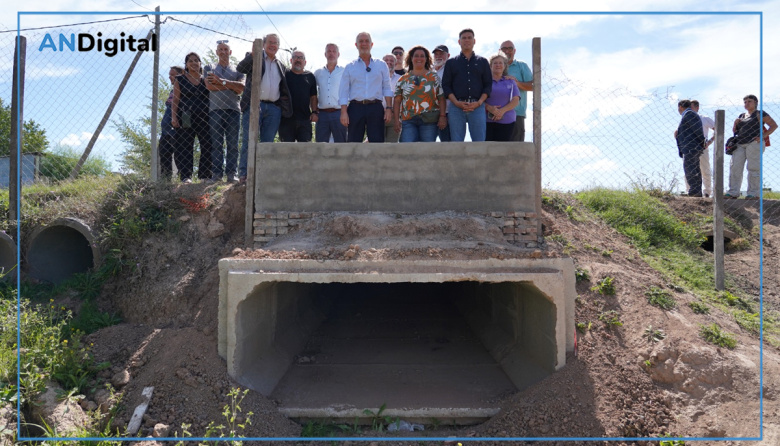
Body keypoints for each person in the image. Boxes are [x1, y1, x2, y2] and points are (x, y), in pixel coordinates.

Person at [236, 33, 292, 183]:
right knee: (249, 140)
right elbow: (240, 68)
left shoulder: (281, 65)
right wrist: (254, 54)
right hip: (255, 106)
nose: (273, 45)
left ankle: (262, 176)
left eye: (275, 43)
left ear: (278, 46)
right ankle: (244, 175)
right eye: (270, 42)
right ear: (264, 44)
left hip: (274, 109)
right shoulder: (256, 57)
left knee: (267, 144)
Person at [339, 32, 393, 143]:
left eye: (367, 41)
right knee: (353, 143)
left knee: (377, 143)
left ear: (372, 44)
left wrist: (388, 108)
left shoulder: (381, 65)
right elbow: (343, 91)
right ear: (356, 45)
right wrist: (344, 112)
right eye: (361, 41)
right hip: (355, 108)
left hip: (376, 108)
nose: (364, 44)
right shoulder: (350, 67)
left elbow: (387, 88)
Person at [204, 41, 245, 183]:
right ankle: (216, 175)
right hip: (215, 110)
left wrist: (220, 82)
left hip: (234, 109)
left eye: (226, 49)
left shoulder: (238, 69)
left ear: (230, 52)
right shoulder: (209, 67)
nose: (223, 52)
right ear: (216, 52)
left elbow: (241, 88)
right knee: (216, 144)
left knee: (233, 144)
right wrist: (230, 85)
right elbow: (209, 86)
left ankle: (232, 174)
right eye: (220, 49)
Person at [442, 28, 491, 142]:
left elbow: (488, 85)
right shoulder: (451, 62)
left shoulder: (483, 61)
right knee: (456, 143)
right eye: (464, 38)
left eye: (470, 38)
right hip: (456, 107)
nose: (467, 40)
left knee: (479, 143)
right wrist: (456, 103)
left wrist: (478, 102)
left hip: (477, 107)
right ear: (459, 42)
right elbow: (446, 86)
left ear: (474, 41)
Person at [171, 52, 213, 183]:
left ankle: (205, 176)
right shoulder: (180, 79)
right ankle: (186, 176)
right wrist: (174, 117)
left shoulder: (206, 79)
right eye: (190, 61)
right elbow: (175, 100)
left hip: (205, 117)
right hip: (185, 117)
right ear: (186, 65)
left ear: (200, 63)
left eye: (196, 60)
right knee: (185, 146)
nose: (194, 63)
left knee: (207, 144)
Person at [726, 94, 778, 199]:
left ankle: (753, 193)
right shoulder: (741, 115)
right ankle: (733, 192)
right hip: (739, 144)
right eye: (745, 102)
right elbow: (736, 131)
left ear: (755, 103)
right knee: (735, 167)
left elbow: (774, 125)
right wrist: (735, 124)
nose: (746, 103)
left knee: (753, 168)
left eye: (749, 101)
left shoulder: (760, 113)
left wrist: (762, 136)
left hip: (754, 143)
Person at [392, 45, 446, 143]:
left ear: (426, 59)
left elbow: (441, 98)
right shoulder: (403, 79)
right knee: (407, 150)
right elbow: (397, 101)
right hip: (408, 120)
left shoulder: (434, 77)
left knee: (427, 150)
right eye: (416, 56)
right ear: (411, 58)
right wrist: (396, 120)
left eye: (422, 56)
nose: (419, 58)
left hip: (430, 120)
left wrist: (442, 116)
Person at [279, 51, 318, 142]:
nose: (298, 59)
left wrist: (314, 112)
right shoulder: (284, 75)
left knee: (305, 151)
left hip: (305, 120)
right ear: (291, 60)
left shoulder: (310, 76)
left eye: (301, 58)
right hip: (286, 120)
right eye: (295, 57)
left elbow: (313, 97)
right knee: (286, 150)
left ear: (305, 62)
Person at [499, 40, 533, 142]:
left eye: (510, 48)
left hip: (516, 113)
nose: (507, 51)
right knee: (497, 150)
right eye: (504, 48)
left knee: (516, 150)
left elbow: (533, 86)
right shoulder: (493, 66)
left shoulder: (521, 66)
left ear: (514, 51)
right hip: (495, 114)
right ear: (499, 51)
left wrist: (516, 83)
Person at [314, 43, 347, 142]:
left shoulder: (344, 71)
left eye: (334, 51)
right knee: (321, 144)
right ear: (325, 54)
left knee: (341, 144)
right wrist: (314, 110)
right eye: (329, 51)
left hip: (339, 113)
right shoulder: (318, 73)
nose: (331, 54)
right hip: (322, 114)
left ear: (338, 54)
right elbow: (312, 93)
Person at [484, 53, 520, 142]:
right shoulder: (484, 82)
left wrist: (501, 112)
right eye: (495, 63)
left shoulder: (511, 81)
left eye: (500, 63)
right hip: (486, 121)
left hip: (507, 121)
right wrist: (490, 108)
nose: (498, 65)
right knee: (487, 151)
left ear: (504, 66)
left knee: (503, 151)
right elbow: (478, 99)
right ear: (490, 66)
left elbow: (516, 100)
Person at [675, 99, 706, 197]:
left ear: (680, 107)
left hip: (691, 146)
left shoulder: (689, 114)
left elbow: (697, 130)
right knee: (693, 168)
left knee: (690, 168)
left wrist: (702, 142)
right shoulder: (689, 114)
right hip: (691, 146)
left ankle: (694, 191)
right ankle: (695, 190)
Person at [159, 65, 184, 180]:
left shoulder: (184, 88)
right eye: (169, 75)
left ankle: (182, 178)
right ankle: (165, 180)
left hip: (176, 127)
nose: (170, 77)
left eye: (173, 75)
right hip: (166, 130)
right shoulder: (172, 90)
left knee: (179, 153)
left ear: (182, 74)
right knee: (164, 153)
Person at [691, 100, 714, 197]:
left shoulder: (704, 118)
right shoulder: (685, 119)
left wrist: (710, 141)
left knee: (705, 169)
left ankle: (707, 192)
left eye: (691, 107)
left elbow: (718, 129)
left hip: (702, 146)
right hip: (689, 147)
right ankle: (690, 191)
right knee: (689, 169)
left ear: (697, 108)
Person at [432, 44, 451, 142]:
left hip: (447, 112)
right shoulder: (430, 70)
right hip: (431, 113)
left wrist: (443, 115)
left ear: (448, 55)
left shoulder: (450, 70)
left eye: (442, 54)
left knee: (447, 143)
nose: (438, 56)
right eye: (436, 54)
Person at [383, 53, 403, 142]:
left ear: (395, 64)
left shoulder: (401, 79)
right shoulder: (376, 78)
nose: (389, 62)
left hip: (395, 117)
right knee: (377, 145)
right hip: (378, 115)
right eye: (386, 60)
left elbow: (401, 98)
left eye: (391, 61)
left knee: (392, 146)